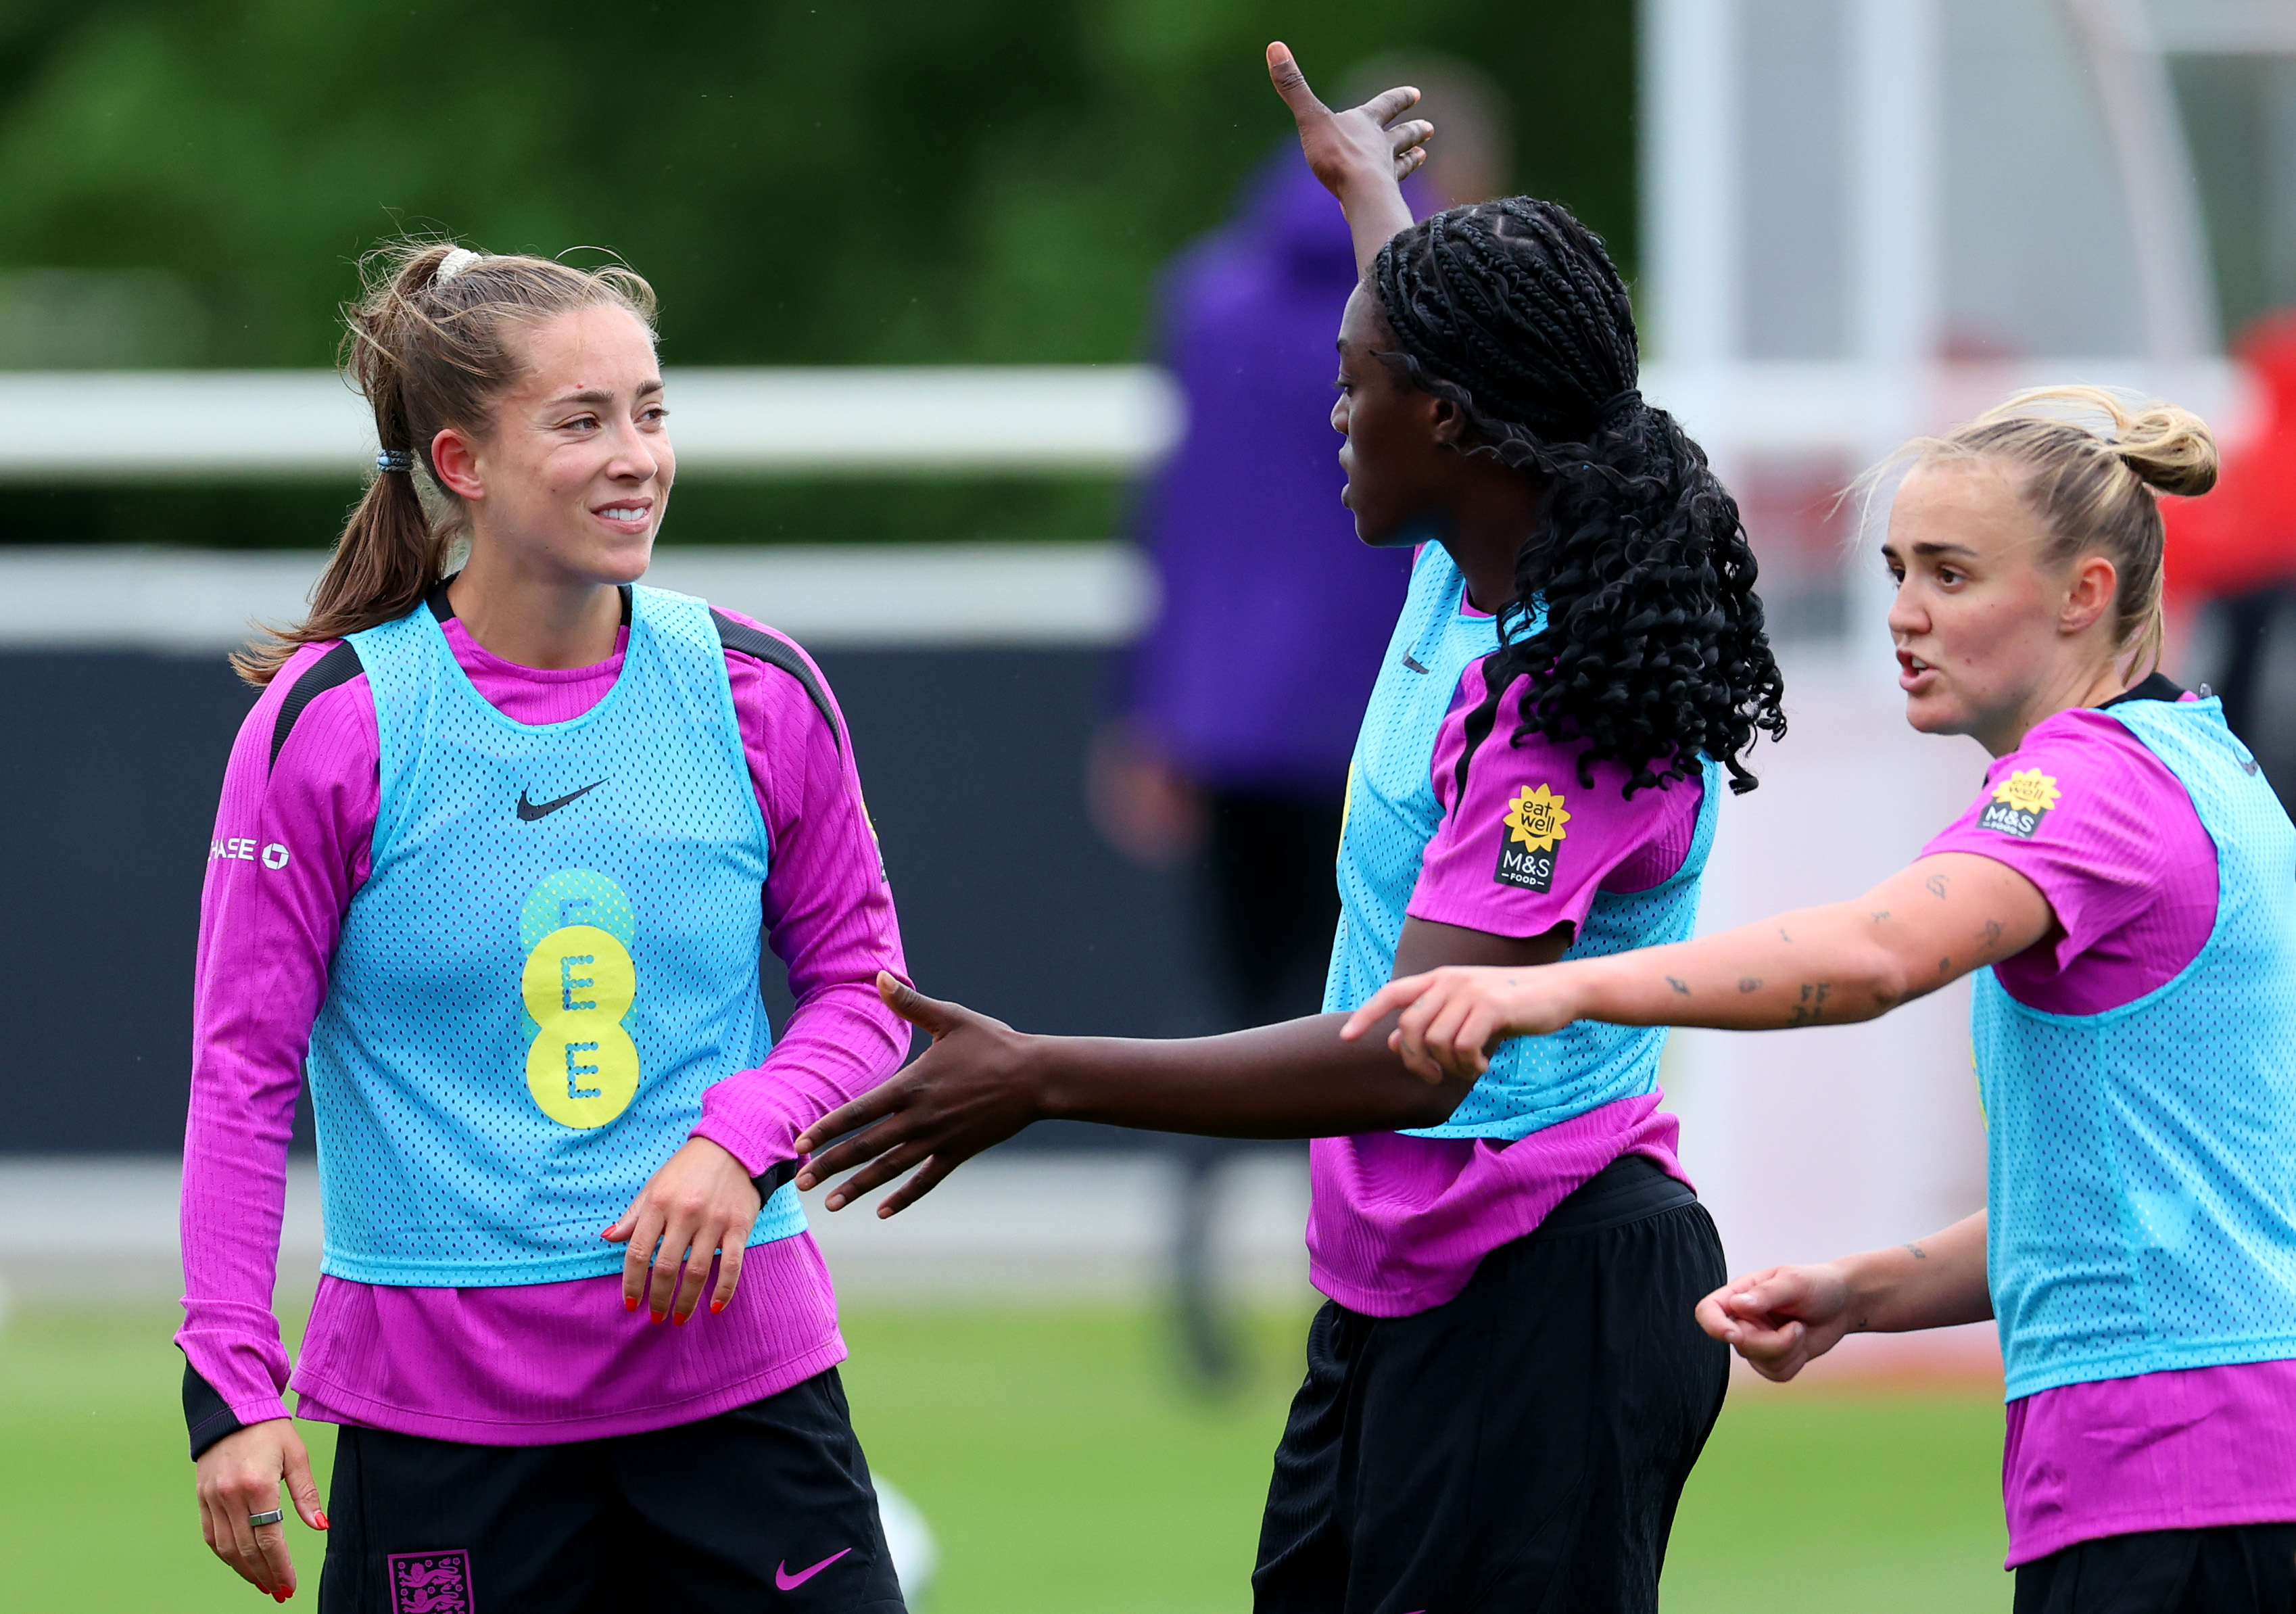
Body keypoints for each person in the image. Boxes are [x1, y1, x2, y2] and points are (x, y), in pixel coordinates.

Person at [795, 43, 1788, 1613]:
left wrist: (1043, 1075)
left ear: (1450, 424)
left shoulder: (1562, 718)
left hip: (1547, 1291)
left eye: (1356, 386)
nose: (1333, 411)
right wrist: (1373, 199)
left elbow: (1408, 1051)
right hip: (1405, 1277)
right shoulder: (1470, 554)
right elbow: (1436, 334)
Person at [1345, 390, 2296, 1609]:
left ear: (2085, 594)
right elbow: (2127, 1208)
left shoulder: (2089, 792)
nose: (1906, 614)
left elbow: (1875, 955)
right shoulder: (2207, 761)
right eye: (1901, 570)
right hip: (2218, 1461)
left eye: (1952, 576)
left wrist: (1552, 988)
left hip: (2173, 1477)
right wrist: (1865, 1293)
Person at [179, 239, 911, 1611]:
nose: (637, 454)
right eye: (583, 422)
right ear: (462, 464)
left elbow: (868, 995)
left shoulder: (759, 693)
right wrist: (230, 1385)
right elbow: (241, 1073)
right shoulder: (329, 728)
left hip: (741, 1392)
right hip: (441, 1425)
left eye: (650, 411)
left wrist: (738, 1145)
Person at [1101, 60, 1506, 1387]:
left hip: (1225, 712)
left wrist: (1147, 709)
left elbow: (1171, 514)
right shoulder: (1442, 307)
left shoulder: (1205, 295)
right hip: (1381, 720)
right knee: (1399, 1006)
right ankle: (1396, 1255)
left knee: (1233, 997)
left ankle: (1195, 1277)